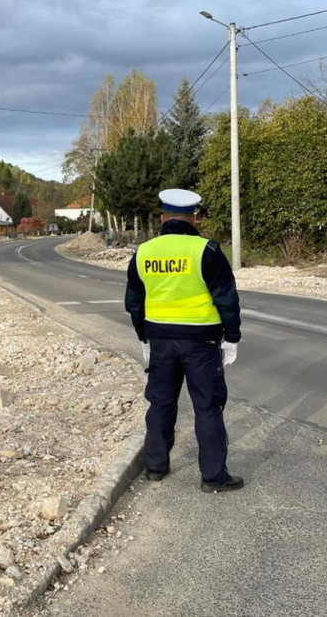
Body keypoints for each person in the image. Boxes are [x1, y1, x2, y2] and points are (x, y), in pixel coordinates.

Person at [124, 188, 244, 493]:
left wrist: (143, 337)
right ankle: (213, 477)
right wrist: (232, 338)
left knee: (161, 404)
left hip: (160, 341)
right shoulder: (208, 251)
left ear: (162, 217)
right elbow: (227, 300)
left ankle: (155, 467)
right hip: (201, 343)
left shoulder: (144, 252)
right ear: (196, 217)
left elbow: (134, 301)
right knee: (207, 407)